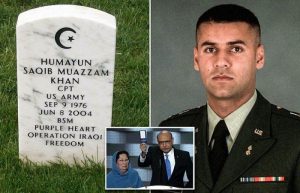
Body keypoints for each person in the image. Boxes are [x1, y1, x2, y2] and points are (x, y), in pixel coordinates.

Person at [160, 4, 300, 193]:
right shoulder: (170, 131)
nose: (221, 62)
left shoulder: (294, 136)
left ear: (259, 57)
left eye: (235, 49)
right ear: (196, 59)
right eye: (210, 49)